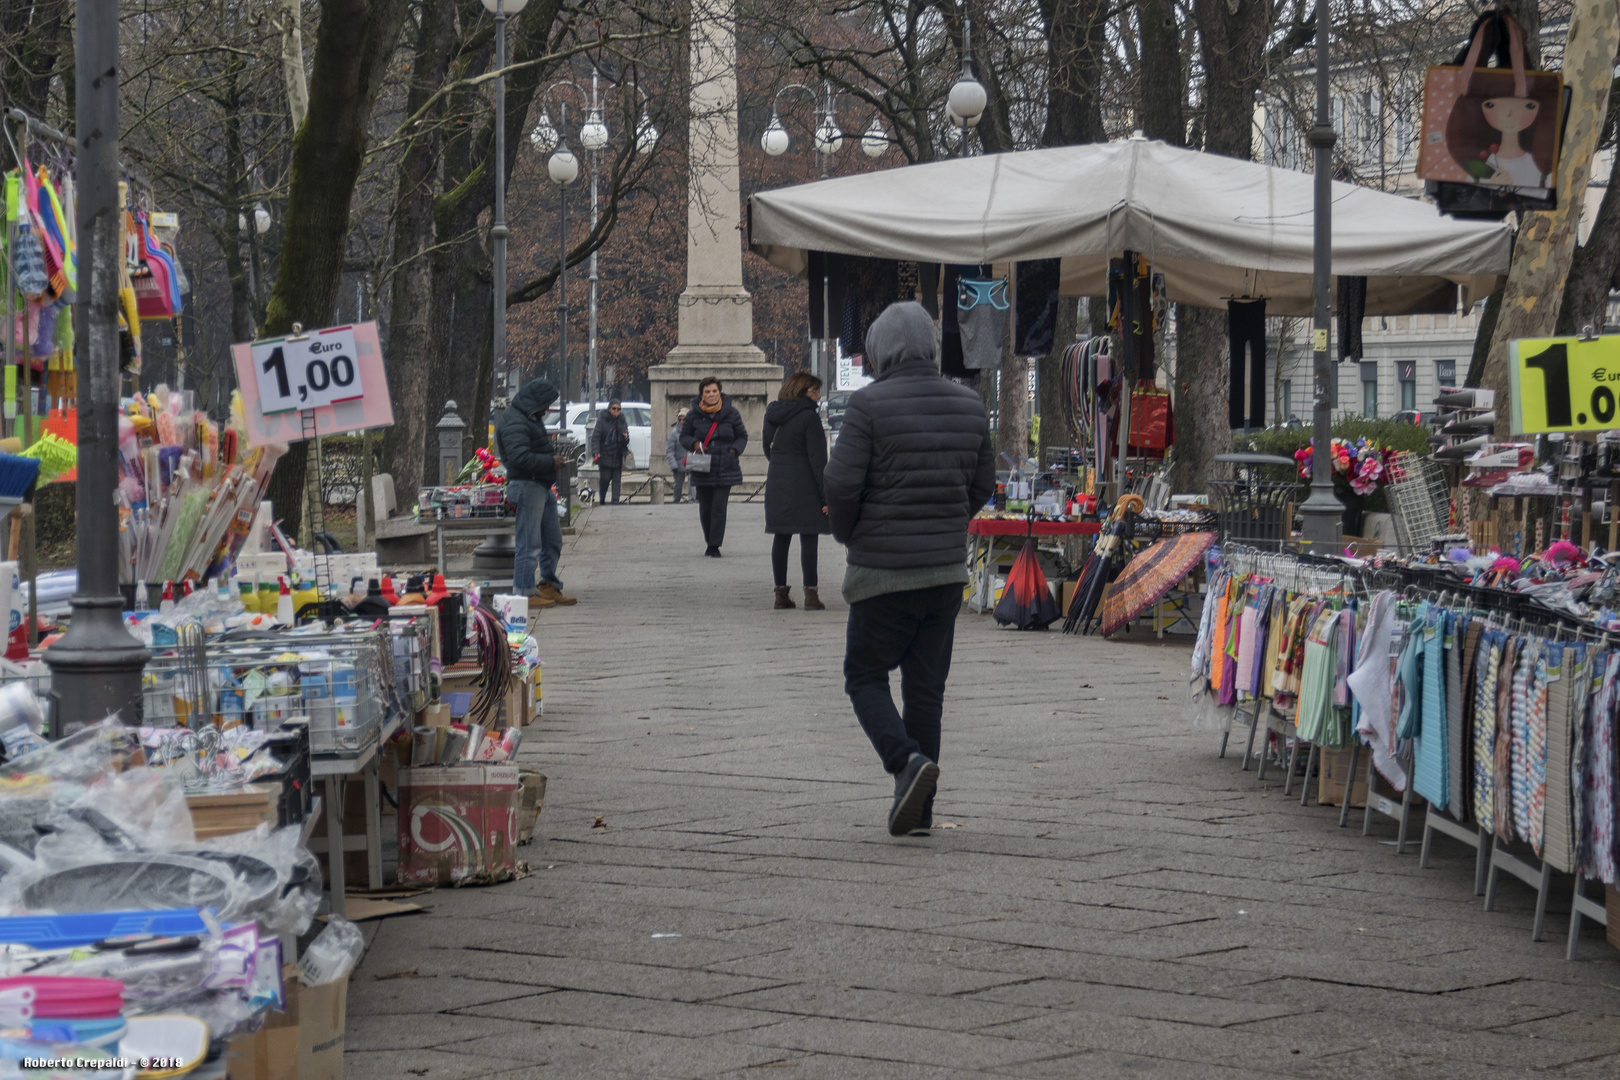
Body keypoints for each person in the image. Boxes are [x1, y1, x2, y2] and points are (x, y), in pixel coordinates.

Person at [823, 302, 995, 838]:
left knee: (864, 676)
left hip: (882, 572)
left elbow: (840, 487)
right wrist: (948, 525)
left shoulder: (868, 406)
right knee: (926, 692)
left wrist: (851, 534)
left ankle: (904, 763)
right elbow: (982, 486)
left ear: (880, 349)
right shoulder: (970, 405)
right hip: (944, 574)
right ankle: (919, 812)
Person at [496, 378, 577, 609]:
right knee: (529, 542)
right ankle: (524, 591)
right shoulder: (514, 420)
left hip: (539, 485)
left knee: (552, 540)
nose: (547, 409)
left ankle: (548, 583)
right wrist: (550, 462)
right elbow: (519, 458)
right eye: (546, 404)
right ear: (536, 402)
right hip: (526, 486)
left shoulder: (529, 417)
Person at [762, 372, 829, 610]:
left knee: (781, 537)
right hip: (806, 485)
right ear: (803, 392)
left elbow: (767, 449)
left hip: (778, 483)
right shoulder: (809, 418)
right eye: (815, 392)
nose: (818, 396)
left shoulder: (772, 414)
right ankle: (810, 594)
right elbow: (819, 460)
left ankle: (781, 593)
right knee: (808, 537)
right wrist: (826, 496)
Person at [679, 376, 747, 557]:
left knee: (719, 507)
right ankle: (709, 538)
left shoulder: (732, 413)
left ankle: (714, 545)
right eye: (707, 392)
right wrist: (694, 444)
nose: (711, 394)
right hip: (703, 465)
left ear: (720, 392)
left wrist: (734, 450)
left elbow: (742, 436)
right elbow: (684, 437)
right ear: (701, 394)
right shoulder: (693, 415)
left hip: (725, 465)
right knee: (706, 507)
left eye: (714, 391)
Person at [591, 400, 631, 505]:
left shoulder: (622, 421)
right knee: (605, 479)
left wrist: (626, 437)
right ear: (609, 409)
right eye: (614, 408)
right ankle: (602, 499)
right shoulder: (602, 420)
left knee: (617, 480)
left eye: (618, 409)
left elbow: (626, 440)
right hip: (605, 455)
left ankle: (615, 501)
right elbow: (596, 437)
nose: (616, 411)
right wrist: (596, 451)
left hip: (617, 455)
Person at [666, 408, 690, 504]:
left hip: (692, 462)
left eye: (684, 419)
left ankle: (693, 501)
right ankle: (676, 500)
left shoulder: (693, 431)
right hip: (678, 463)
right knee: (678, 485)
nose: (682, 422)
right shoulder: (674, 433)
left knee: (693, 484)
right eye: (680, 419)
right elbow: (670, 450)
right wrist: (673, 465)